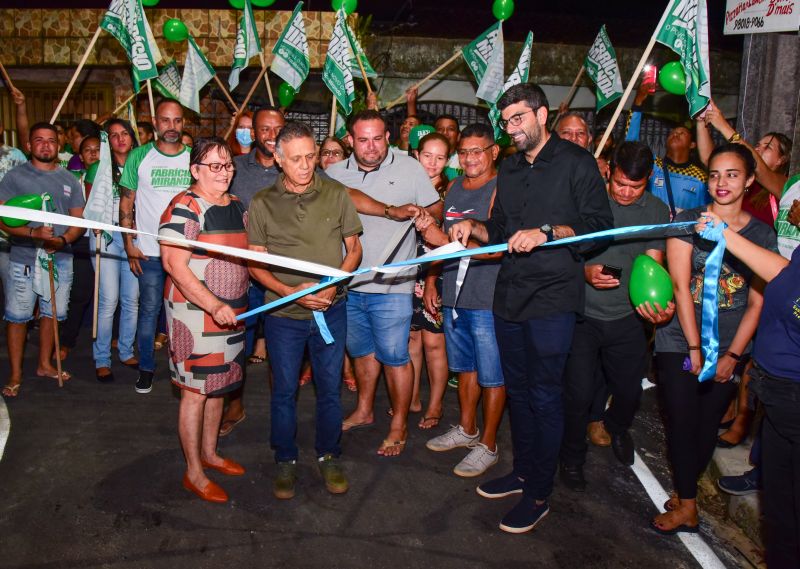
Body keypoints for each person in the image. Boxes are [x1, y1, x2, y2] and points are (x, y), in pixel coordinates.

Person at [448, 83, 613, 533]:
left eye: (518, 119)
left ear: (542, 115)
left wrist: (550, 231)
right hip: (511, 296)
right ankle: (522, 472)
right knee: (518, 393)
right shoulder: (513, 169)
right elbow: (502, 229)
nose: (511, 129)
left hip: (554, 298)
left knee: (543, 395)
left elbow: (601, 229)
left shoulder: (577, 163)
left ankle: (540, 492)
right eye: (506, 122)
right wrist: (473, 227)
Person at [647, 144, 775, 535]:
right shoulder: (687, 221)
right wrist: (695, 349)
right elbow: (681, 287)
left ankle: (686, 492)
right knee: (682, 420)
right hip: (680, 340)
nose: (722, 183)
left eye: (733, 174)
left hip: (732, 344)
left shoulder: (761, 234)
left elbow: (757, 303)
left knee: (706, 426)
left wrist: (733, 355)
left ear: (750, 180)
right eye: (715, 174)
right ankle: (688, 505)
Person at [247, 121, 363, 499]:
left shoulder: (336, 193)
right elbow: (255, 264)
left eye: (310, 156)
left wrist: (332, 286)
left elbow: (355, 250)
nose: (305, 165)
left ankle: (329, 454)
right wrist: (289, 293)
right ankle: (285, 459)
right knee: (283, 391)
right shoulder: (263, 202)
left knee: (329, 390)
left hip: (332, 309)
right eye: (295, 159)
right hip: (283, 317)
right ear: (278, 160)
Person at [326, 109, 441, 457]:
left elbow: (436, 208)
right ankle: (364, 409)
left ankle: (399, 423)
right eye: (363, 139)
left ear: (388, 137)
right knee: (361, 353)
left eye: (378, 138)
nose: (372, 146)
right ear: (350, 140)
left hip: (394, 284)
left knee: (394, 356)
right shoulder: (332, 173)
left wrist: (423, 215)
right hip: (350, 284)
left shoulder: (408, 166)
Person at [559, 141, 670, 491]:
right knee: (576, 394)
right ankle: (572, 457)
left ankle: (615, 426)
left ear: (648, 180)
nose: (625, 192)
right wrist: (585, 273)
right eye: (619, 183)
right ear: (608, 171)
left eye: (634, 187)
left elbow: (653, 262)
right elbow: (561, 257)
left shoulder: (655, 210)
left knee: (628, 392)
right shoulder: (586, 203)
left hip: (627, 317)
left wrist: (657, 304)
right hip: (583, 316)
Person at [694, 209, 800, 568]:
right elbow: (786, 275)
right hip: (778, 401)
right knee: (781, 516)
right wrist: (726, 233)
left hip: (795, 403)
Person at [159, 137, 248, 504]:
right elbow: (174, 265)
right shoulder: (185, 206)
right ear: (195, 170)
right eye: (214, 166)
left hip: (234, 311)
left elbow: (247, 258)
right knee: (195, 392)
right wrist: (213, 305)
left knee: (219, 384)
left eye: (227, 165)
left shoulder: (237, 205)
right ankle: (193, 472)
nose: (223, 173)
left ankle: (210, 454)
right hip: (195, 314)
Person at [416, 123, 506, 477]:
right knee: (464, 367)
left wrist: (439, 238)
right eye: (464, 152)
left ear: (493, 152)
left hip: (487, 295)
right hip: (454, 291)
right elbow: (443, 243)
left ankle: (489, 444)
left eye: (477, 151)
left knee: (493, 375)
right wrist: (434, 279)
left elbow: (496, 251)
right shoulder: (453, 187)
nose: (469, 158)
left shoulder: (500, 189)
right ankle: (467, 429)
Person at [0, 122, 86, 397]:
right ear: (28, 145)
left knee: (52, 315)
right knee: (18, 317)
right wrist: (32, 233)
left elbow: (77, 221)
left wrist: (61, 240)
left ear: (58, 145)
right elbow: (2, 218)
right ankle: (15, 374)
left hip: (59, 258)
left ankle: (45, 365)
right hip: (23, 258)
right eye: (39, 140)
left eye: (51, 140)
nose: (46, 145)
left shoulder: (69, 180)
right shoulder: (14, 178)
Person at [119, 98, 192, 394]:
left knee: (184, 313)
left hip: (186, 253)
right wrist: (128, 243)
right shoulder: (139, 156)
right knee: (149, 311)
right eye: (165, 120)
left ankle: (184, 367)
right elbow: (127, 201)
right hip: (149, 251)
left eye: (177, 121)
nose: (171, 127)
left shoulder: (195, 157)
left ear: (183, 123)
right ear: (155, 122)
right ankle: (146, 368)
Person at [221, 105, 285, 436]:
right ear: (253, 132)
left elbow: (338, 195)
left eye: (277, 129)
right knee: (237, 344)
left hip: (280, 275)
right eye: (265, 129)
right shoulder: (234, 168)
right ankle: (235, 405)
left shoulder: (296, 168)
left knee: (280, 347)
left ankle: (281, 412)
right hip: (240, 273)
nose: (271, 136)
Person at [89, 119, 140, 382]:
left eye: (124, 133)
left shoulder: (142, 164)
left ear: (132, 137)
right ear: (107, 140)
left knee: (132, 299)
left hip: (133, 236)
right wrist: (93, 223)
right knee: (108, 299)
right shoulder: (99, 167)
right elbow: (90, 203)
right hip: (106, 235)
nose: (120, 139)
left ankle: (126, 350)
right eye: (113, 135)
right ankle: (101, 358)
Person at [408, 132, 451, 429]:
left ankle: (435, 404)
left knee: (435, 344)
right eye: (427, 156)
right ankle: (410, 397)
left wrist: (432, 281)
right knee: (411, 341)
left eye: (440, 157)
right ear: (416, 155)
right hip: (405, 276)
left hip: (435, 274)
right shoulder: (405, 190)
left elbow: (445, 245)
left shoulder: (450, 195)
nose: (433, 163)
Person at [626, 82, 709, 218]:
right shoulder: (652, 165)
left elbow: (705, 213)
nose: (675, 134)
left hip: (681, 238)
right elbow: (630, 144)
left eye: (682, 133)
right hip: (651, 235)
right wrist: (639, 101)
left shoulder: (701, 178)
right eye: (672, 132)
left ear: (693, 144)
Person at [58, 135, 101, 360]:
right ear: (80, 156)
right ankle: (67, 341)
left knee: (112, 296)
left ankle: (113, 339)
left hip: (108, 240)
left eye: (97, 149)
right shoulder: (72, 180)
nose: (93, 153)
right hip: (82, 240)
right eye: (88, 150)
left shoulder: (115, 178)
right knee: (80, 294)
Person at [435, 114, 463, 181]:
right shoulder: (426, 160)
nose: (445, 133)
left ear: (458, 136)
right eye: (440, 129)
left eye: (451, 129)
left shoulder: (464, 160)